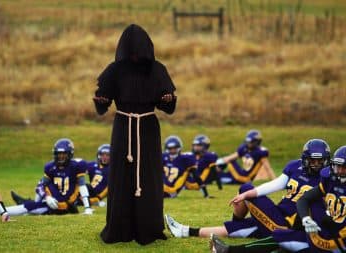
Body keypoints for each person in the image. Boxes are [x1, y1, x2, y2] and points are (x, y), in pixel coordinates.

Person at [93, 24, 177, 245]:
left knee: (148, 177)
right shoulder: (115, 70)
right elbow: (103, 100)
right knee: (121, 177)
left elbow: (167, 105)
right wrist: (101, 101)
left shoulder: (157, 70)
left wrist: (168, 99)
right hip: (123, 127)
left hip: (147, 127)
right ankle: (120, 229)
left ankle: (148, 228)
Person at [166, 139, 330, 241]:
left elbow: (331, 207)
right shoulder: (294, 167)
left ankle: (236, 221)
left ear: (327, 161)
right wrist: (245, 195)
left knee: (246, 193)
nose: (316, 164)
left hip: (287, 226)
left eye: (320, 161)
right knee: (233, 227)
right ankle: (185, 231)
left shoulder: (329, 178)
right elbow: (274, 185)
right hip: (276, 213)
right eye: (312, 160)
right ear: (304, 159)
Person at [209, 145, 346, 253]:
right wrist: (306, 218)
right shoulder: (329, 180)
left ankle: (229, 250)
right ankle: (227, 249)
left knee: (282, 238)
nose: (339, 171)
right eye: (337, 166)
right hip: (318, 232)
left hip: (334, 241)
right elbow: (305, 199)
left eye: (343, 167)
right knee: (281, 236)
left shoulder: (330, 181)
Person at [0, 138, 93, 216]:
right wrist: (47, 197)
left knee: (29, 207)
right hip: (55, 201)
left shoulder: (77, 165)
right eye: (58, 155)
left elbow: (82, 186)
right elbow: (40, 186)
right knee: (41, 186)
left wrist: (87, 208)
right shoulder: (50, 167)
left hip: (65, 205)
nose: (61, 158)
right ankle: (33, 203)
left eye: (64, 154)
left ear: (70, 154)